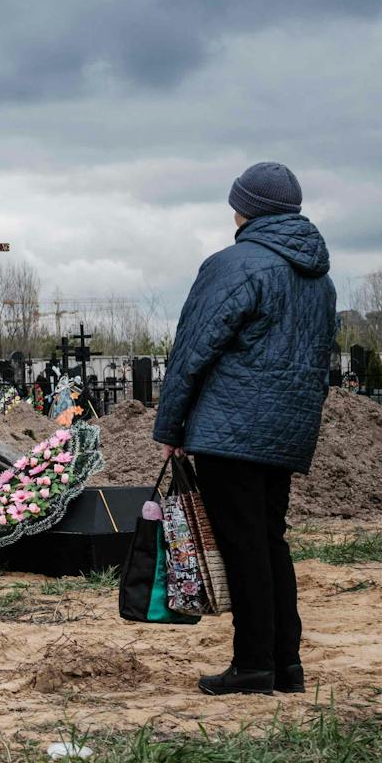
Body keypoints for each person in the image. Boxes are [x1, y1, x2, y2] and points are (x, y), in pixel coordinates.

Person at [154, 162, 336, 697]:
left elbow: (194, 348)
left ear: (245, 208)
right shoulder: (318, 277)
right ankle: (285, 665)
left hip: (229, 428)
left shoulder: (233, 264)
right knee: (269, 541)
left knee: (242, 545)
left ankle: (253, 664)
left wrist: (171, 423)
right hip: (285, 430)